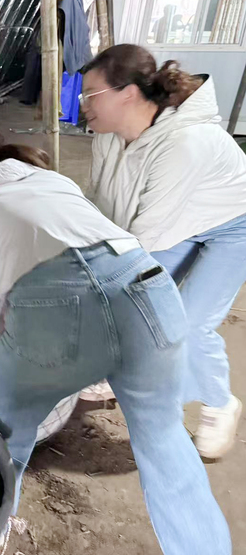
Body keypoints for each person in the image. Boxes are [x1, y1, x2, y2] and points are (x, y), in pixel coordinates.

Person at [0, 129, 231, 555]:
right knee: (166, 447)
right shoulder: (54, 181)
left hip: (53, 309)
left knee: (0, 444)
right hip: (148, 288)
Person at [82, 44, 246, 459]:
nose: (83, 104)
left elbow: (141, 244)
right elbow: (101, 204)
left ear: (128, 94)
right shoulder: (108, 135)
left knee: (188, 322)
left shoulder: (185, 144)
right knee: (136, 304)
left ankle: (219, 403)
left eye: (91, 94)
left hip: (233, 225)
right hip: (178, 219)